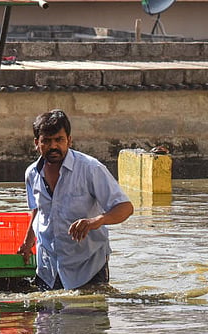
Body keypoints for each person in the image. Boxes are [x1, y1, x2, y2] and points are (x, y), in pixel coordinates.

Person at [17, 109, 133, 290]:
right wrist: (27, 242)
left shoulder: (90, 169)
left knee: (87, 315)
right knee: (47, 317)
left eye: (59, 140)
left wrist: (96, 221)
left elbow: (125, 207)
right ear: (37, 144)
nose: (53, 146)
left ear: (69, 141)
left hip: (88, 265)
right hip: (49, 266)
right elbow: (38, 210)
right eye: (46, 141)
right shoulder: (32, 173)